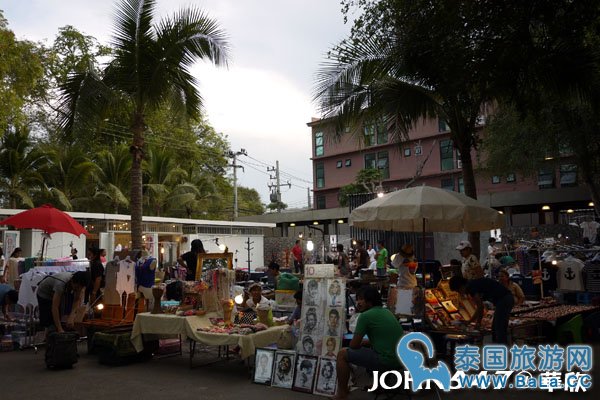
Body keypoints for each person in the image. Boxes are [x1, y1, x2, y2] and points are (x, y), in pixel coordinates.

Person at [335, 286, 404, 400]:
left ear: (370, 300)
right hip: (401, 358)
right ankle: (380, 385)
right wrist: (365, 342)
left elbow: (353, 345)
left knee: (342, 354)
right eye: (357, 299)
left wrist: (361, 343)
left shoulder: (365, 316)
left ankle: (342, 393)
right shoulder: (387, 312)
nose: (358, 302)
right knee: (373, 347)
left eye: (361, 299)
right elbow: (384, 338)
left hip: (388, 360)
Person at [449, 275, 514, 344]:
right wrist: (470, 321)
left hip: (504, 300)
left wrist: (478, 323)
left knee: (499, 328)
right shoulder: (472, 284)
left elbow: (480, 307)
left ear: (461, 286)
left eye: (458, 290)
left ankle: (503, 349)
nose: (460, 293)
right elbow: (480, 307)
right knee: (496, 328)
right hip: (504, 300)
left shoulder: (471, 287)